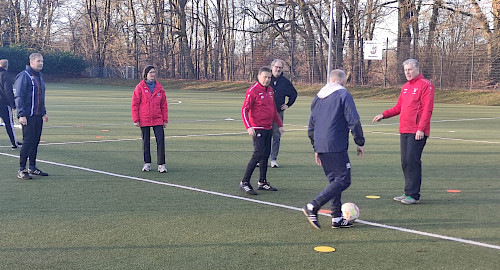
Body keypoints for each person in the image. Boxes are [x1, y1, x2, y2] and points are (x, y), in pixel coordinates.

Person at [302, 69, 365, 229]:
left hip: (322, 144)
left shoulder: (318, 97)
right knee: (344, 179)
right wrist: (360, 141)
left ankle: (336, 217)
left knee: (334, 180)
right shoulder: (344, 95)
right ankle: (313, 206)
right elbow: (354, 120)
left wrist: (316, 146)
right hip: (335, 144)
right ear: (343, 82)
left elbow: (311, 126)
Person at [372, 59, 434, 205]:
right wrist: (384, 114)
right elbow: (399, 107)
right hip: (404, 129)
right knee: (405, 162)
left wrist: (421, 128)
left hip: (417, 131)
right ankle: (407, 192)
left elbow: (427, 109)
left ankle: (413, 195)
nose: (407, 72)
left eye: (410, 69)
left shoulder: (426, 85)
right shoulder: (405, 87)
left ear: (417, 69)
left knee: (412, 161)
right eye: (406, 70)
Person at [240, 66, 285, 195]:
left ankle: (262, 182)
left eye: (269, 77)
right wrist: (249, 126)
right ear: (259, 77)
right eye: (265, 77)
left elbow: (273, 110)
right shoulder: (252, 91)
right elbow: (244, 110)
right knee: (258, 154)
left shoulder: (270, 90)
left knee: (266, 154)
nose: (267, 79)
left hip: (268, 127)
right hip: (257, 127)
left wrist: (279, 125)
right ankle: (245, 182)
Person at [14, 53, 49, 180]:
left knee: (35, 141)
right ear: (32, 62)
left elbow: (40, 96)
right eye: (39, 61)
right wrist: (21, 114)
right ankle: (22, 169)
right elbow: (19, 96)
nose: (41, 63)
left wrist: (43, 112)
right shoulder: (24, 75)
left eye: (42, 61)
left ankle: (32, 167)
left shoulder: (39, 76)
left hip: (38, 115)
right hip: (28, 116)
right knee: (28, 142)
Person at [131, 65, 169, 173]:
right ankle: (147, 163)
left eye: (154, 72)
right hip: (144, 118)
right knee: (145, 141)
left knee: (160, 141)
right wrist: (136, 119)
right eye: (151, 72)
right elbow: (135, 104)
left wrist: (165, 120)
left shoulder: (159, 88)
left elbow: (164, 105)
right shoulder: (140, 87)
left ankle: (161, 165)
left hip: (157, 118)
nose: (153, 74)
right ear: (146, 74)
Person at [269, 59, 297, 168]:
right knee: (263, 136)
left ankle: (273, 159)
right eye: (276, 67)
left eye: (280, 67)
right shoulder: (267, 79)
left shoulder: (285, 82)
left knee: (276, 136)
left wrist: (288, 104)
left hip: (278, 113)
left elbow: (294, 94)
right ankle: (261, 159)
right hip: (265, 113)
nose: (278, 69)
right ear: (272, 67)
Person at [0, 59, 21, 149]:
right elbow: (8, 91)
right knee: (9, 124)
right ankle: (14, 143)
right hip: (3, 103)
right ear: (6, 66)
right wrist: (12, 104)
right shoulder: (5, 75)